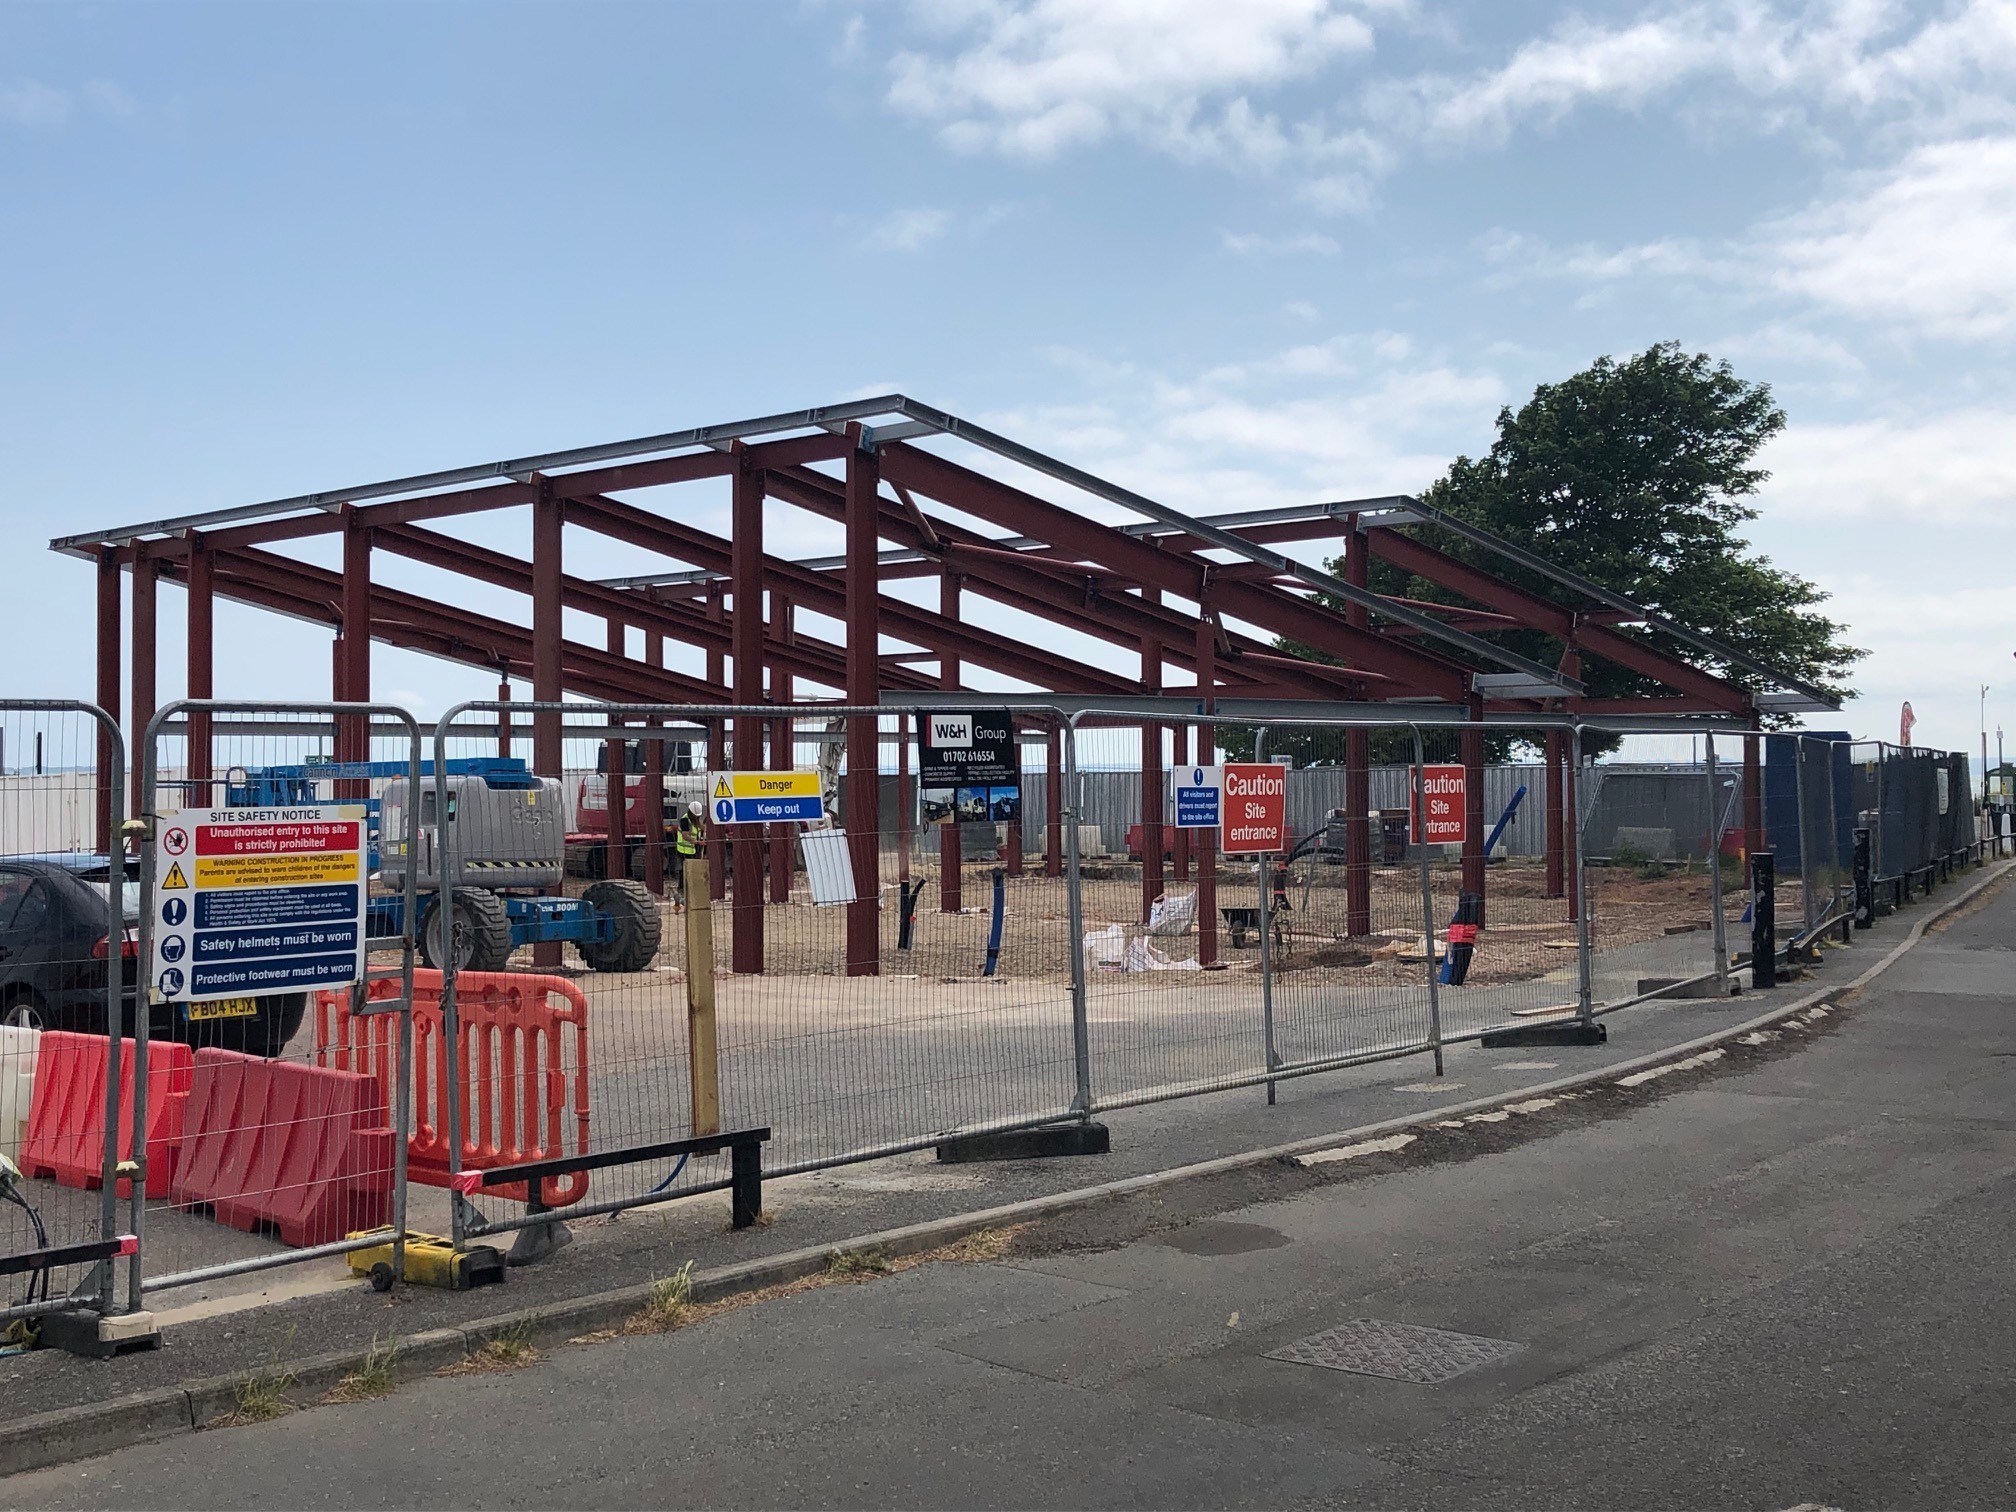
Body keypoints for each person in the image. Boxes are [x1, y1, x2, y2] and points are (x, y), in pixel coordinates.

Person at [671, 799, 705, 909]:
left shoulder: (694, 820)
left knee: (691, 870)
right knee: (684, 871)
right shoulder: (685, 820)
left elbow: (699, 828)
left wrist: (704, 829)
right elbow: (685, 836)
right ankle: (681, 891)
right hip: (683, 850)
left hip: (692, 850)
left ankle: (688, 891)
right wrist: (698, 842)